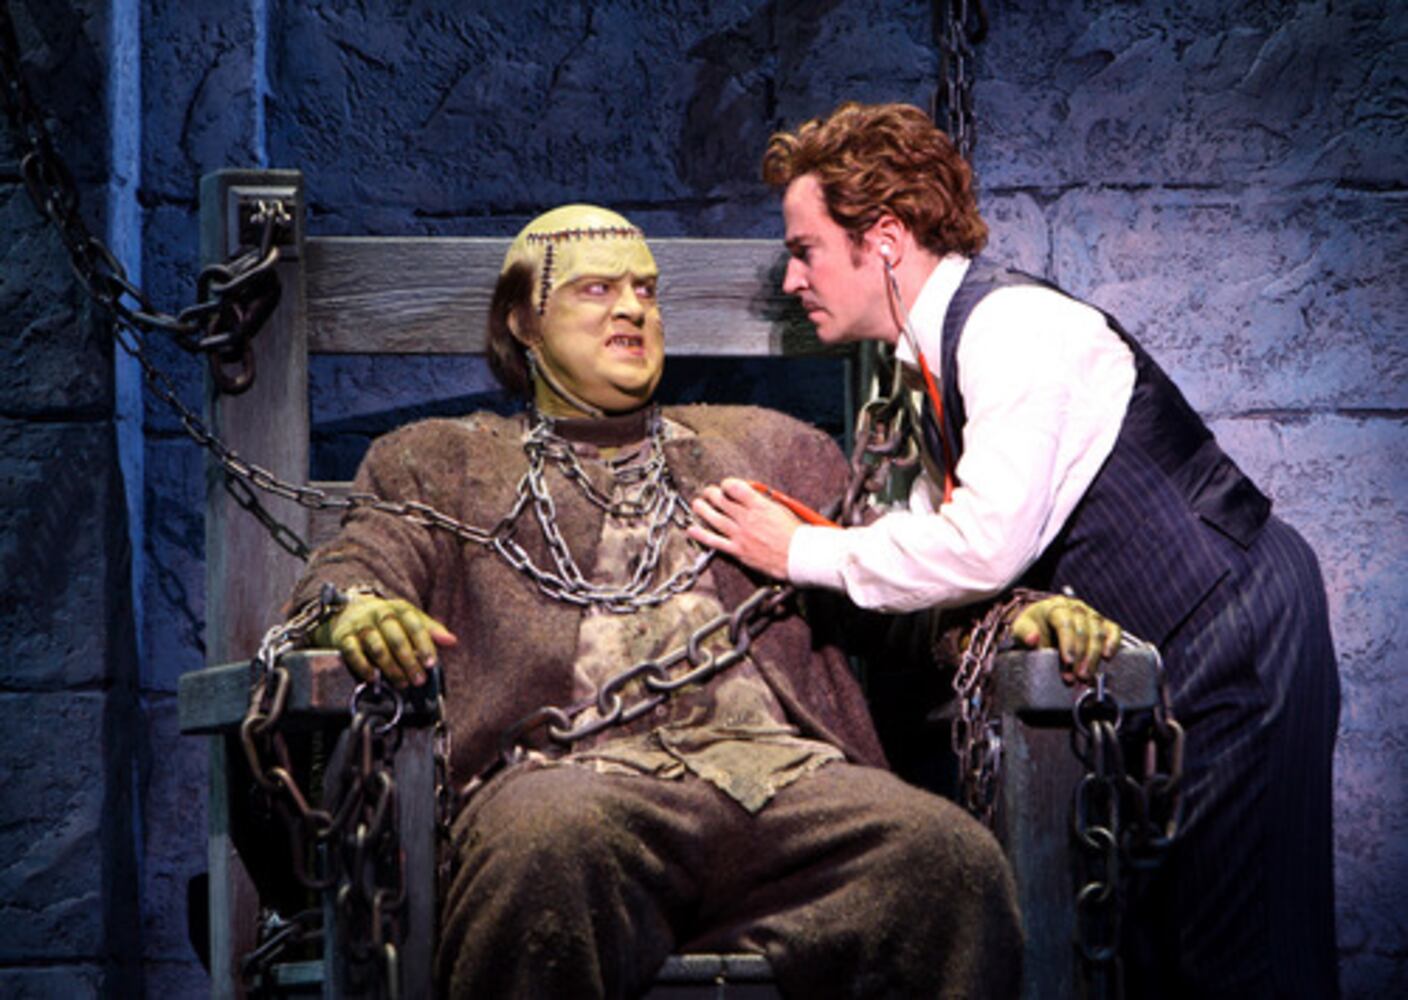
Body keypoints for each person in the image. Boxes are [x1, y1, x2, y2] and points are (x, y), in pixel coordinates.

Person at [285, 203, 1124, 999]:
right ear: (522, 324)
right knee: (544, 849)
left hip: (787, 790)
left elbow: (889, 594)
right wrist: (352, 608)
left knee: (948, 860)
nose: (632, 309)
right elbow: (356, 565)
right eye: (595, 288)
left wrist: (1006, 619)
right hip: (566, 783)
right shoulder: (440, 463)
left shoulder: (771, 448)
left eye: (646, 290)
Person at [689, 101, 1341, 999]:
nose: (793, 280)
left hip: (1237, 629)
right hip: (1176, 644)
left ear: (884, 240)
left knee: (1241, 957)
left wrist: (798, 550)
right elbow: (928, 535)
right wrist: (828, 543)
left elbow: (980, 549)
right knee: (1161, 957)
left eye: (806, 250)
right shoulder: (927, 362)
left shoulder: (1013, 330)